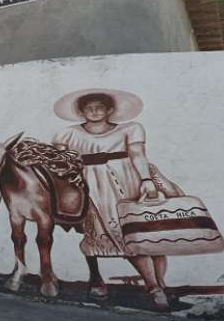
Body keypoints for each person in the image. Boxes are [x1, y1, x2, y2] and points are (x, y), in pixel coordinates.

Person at [52, 89, 170, 309]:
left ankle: (155, 286)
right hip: (87, 184)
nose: (94, 111)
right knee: (94, 231)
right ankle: (97, 280)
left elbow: (137, 155)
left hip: (124, 183)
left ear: (110, 110)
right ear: (81, 111)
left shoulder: (131, 129)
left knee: (134, 233)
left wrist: (146, 179)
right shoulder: (67, 134)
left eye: (99, 107)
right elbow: (61, 164)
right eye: (89, 108)